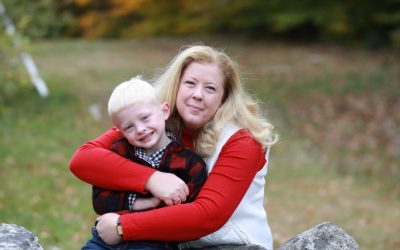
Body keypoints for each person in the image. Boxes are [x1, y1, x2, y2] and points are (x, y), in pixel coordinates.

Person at [70, 45, 278, 250]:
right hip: (170, 242)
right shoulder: (153, 121)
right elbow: (83, 160)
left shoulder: (243, 140)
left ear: (224, 97)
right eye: (190, 83)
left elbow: (208, 215)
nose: (198, 94)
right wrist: (152, 179)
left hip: (233, 244)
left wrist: (123, 227)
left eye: (210, 88)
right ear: (176, 85)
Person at [81, 76, 208, 249]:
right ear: (120, 131)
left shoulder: (190, 164)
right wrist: (141, 203)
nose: (140, 129)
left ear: (164, 111)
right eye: (129, 127)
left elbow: (187, 214)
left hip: (153, 241)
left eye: (145, 118)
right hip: (107, 239)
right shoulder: (118, 152)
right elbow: (100, 199)